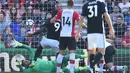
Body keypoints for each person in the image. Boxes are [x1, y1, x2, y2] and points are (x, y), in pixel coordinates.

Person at [51, 0, 87, 73]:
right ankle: (71, 71)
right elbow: (80, 22)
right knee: (72, 53)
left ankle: (58, 70)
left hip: (62, 35)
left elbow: (52, 20)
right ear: (73, 5)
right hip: (71, 36)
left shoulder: (61, 12)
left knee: (61, 54)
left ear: (66, 5)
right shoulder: (74, 13)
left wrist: (55, 20)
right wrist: (86, 27)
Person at [79, 0, 115, 72]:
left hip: (90, 32)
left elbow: (81, 19)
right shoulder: (100, 3)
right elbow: (106, 16)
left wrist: (79, 30)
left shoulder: (86, 5)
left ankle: (93, 70)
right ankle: (91, 66)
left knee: (92, 52)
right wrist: (111, 28)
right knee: (102, 52)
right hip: (99, 31)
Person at [10, 40, 88, 73]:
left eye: (25, 60)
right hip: (55, 70)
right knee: (70, 71)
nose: (26, 61)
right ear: (26, 66)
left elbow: (29, 49)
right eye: (24, 63)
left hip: (55, 63)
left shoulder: (33, 59)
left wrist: (20, 45)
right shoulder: (31, 70)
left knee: (68, 56)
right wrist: (20, 64)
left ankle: (83, 55)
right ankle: (84, 68)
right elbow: (23, 71)